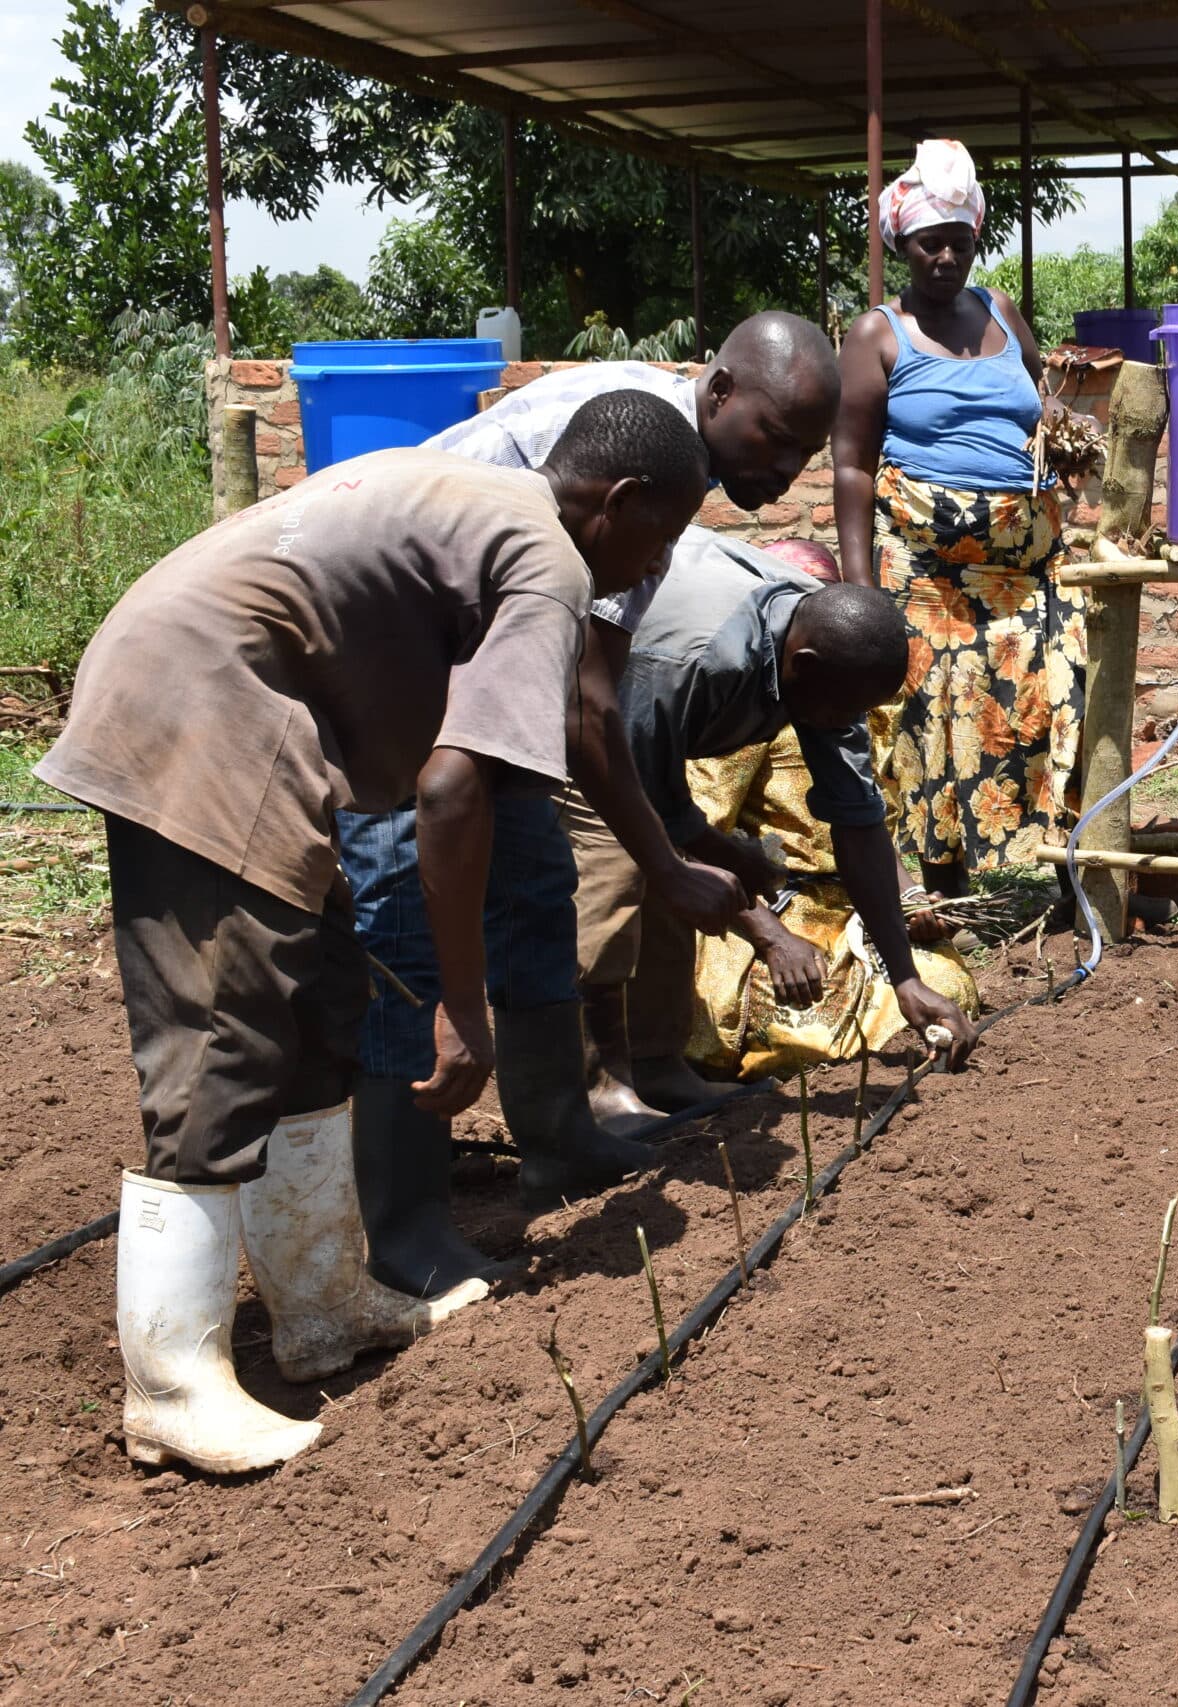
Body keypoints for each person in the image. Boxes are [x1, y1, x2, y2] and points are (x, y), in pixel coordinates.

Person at [37, 393, 706, 1474]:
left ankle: (322, 1306)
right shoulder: (551, 562)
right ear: (618, 502)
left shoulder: (485, 501)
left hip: (227, 691)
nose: (656, 563)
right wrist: (462, 1006)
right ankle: (171, 1382)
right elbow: (452, 794)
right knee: (227, 1021)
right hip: (205, 704)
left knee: (320, 1001)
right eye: (663, 535)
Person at [334, 313, 840, 1302]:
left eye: (803, 454)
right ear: (722, 390)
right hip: (401, 656)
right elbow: (592, 707)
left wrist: (673, 860)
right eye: (773, 437)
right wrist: (665, 865)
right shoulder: (644, 455)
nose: (782, 470)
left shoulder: (671, 460)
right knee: (407, 926)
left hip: (490, 655)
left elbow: (582, 687)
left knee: (536, 881)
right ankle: (400, 1224)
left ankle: (558, 1137)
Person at [566, 530, 978, 1090]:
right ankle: (596, 1085)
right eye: (845, 707)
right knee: (620, 867)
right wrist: (749, 903)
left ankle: (656, 1063)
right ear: (802, 665)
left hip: (648, 755)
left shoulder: (831, 660)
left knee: (667, 861)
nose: (848, 721)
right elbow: (629, 785)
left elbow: (857, 822)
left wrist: (905, 977)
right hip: (571, 713)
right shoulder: (699, 665)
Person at [832, 139, 1086, 898]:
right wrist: (857, 589)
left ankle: (1062, 864)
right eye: (928, 244)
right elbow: (850, 463)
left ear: (977, 239)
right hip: (925, 576)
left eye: (959, 243)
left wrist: (1067, 435)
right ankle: (942, 884)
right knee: (928, 714)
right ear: (902, 246)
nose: (945, 257)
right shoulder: (877, 335)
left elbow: (1040, 405)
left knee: (1061, 689)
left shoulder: (1000, 311)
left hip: (1024, 570)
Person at [685, 540, 980, 1080]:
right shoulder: (741, 704)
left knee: (949, 982)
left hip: (845, 906)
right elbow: (693, 830)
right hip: (759, 905)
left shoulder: (835, 701)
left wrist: (909, 898)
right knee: (803, 1020)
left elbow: (863, 825)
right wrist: (772, 937)